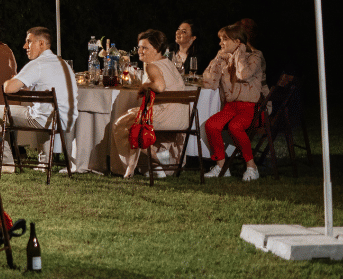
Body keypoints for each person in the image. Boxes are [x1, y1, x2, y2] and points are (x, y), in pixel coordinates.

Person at [0, 27, 75, 171]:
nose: (25, 46)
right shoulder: (63, 63)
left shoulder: (37, 64)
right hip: (62, 119)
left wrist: (9, 82)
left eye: (29, 42)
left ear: (41, 43)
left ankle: (6, 163)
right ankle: (44, 161)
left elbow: (9, 89)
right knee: (42, 108)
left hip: (43, 120)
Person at [109, 30, 190, 177]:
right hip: (182, 118)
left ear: (157, 49)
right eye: (139, 47)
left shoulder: (152, 66)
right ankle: (155, 165)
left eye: (145, 48)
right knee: (137, 122)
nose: (140, 51)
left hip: (164, 117)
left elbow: (159, 86)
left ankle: (135, 165)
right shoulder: (169, 64)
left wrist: (144, 86)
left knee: (121, 125)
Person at [201, 23, 263, 181]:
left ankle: (252, 167)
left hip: (249, 107)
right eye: (220, 39)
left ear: (237, 42)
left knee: (236, 126)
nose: (221, 43)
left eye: (225, 39)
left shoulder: (254, 56)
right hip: (230, 107)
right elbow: (209, 83)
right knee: (211, 125)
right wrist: (217, 60)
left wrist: (240, 54)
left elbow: (243, 75)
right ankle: (222, 166)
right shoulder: (224, 58)